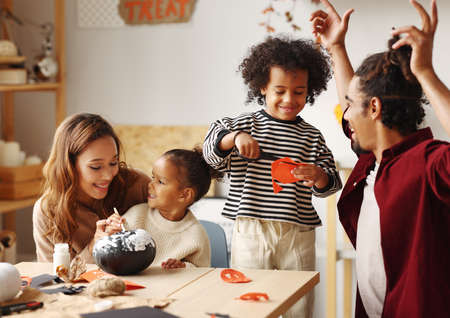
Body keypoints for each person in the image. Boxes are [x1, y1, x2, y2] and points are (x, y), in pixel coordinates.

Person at [307, 0, 450, 317]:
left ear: (374, 109)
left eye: (351, 106)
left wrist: (425, 72)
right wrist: (336, 48)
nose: (346, 117)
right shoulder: (373, 162)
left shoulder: (428, 162)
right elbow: (352, 114)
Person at [203, 36, 342, 318]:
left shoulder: (311, 136)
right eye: (280, 90)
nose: (289, 99)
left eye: (299, 92)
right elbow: (210, 153)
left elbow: (332, 183)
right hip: (252, 228)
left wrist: (319, 177)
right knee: (248, 301)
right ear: (262, 87)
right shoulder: (243, 125)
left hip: (297, 233)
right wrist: (233, 138)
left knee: (299, 304)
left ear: (310, 91)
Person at [33, 113, 150, 264]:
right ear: (69, 166)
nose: (108, 175)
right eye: (96, 167)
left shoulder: (136, 184)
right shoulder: (48, 211)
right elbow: (54, 279)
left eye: (113, 163)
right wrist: (93, 247)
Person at [113, 147, 222, 268]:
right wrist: (111, 232)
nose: (150, 184)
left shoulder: (196, 236)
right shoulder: (138, 214)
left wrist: (183, 267)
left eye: (160, 182)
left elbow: (202, 274)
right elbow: (115, 250)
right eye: (153, 177)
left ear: (185, 194)